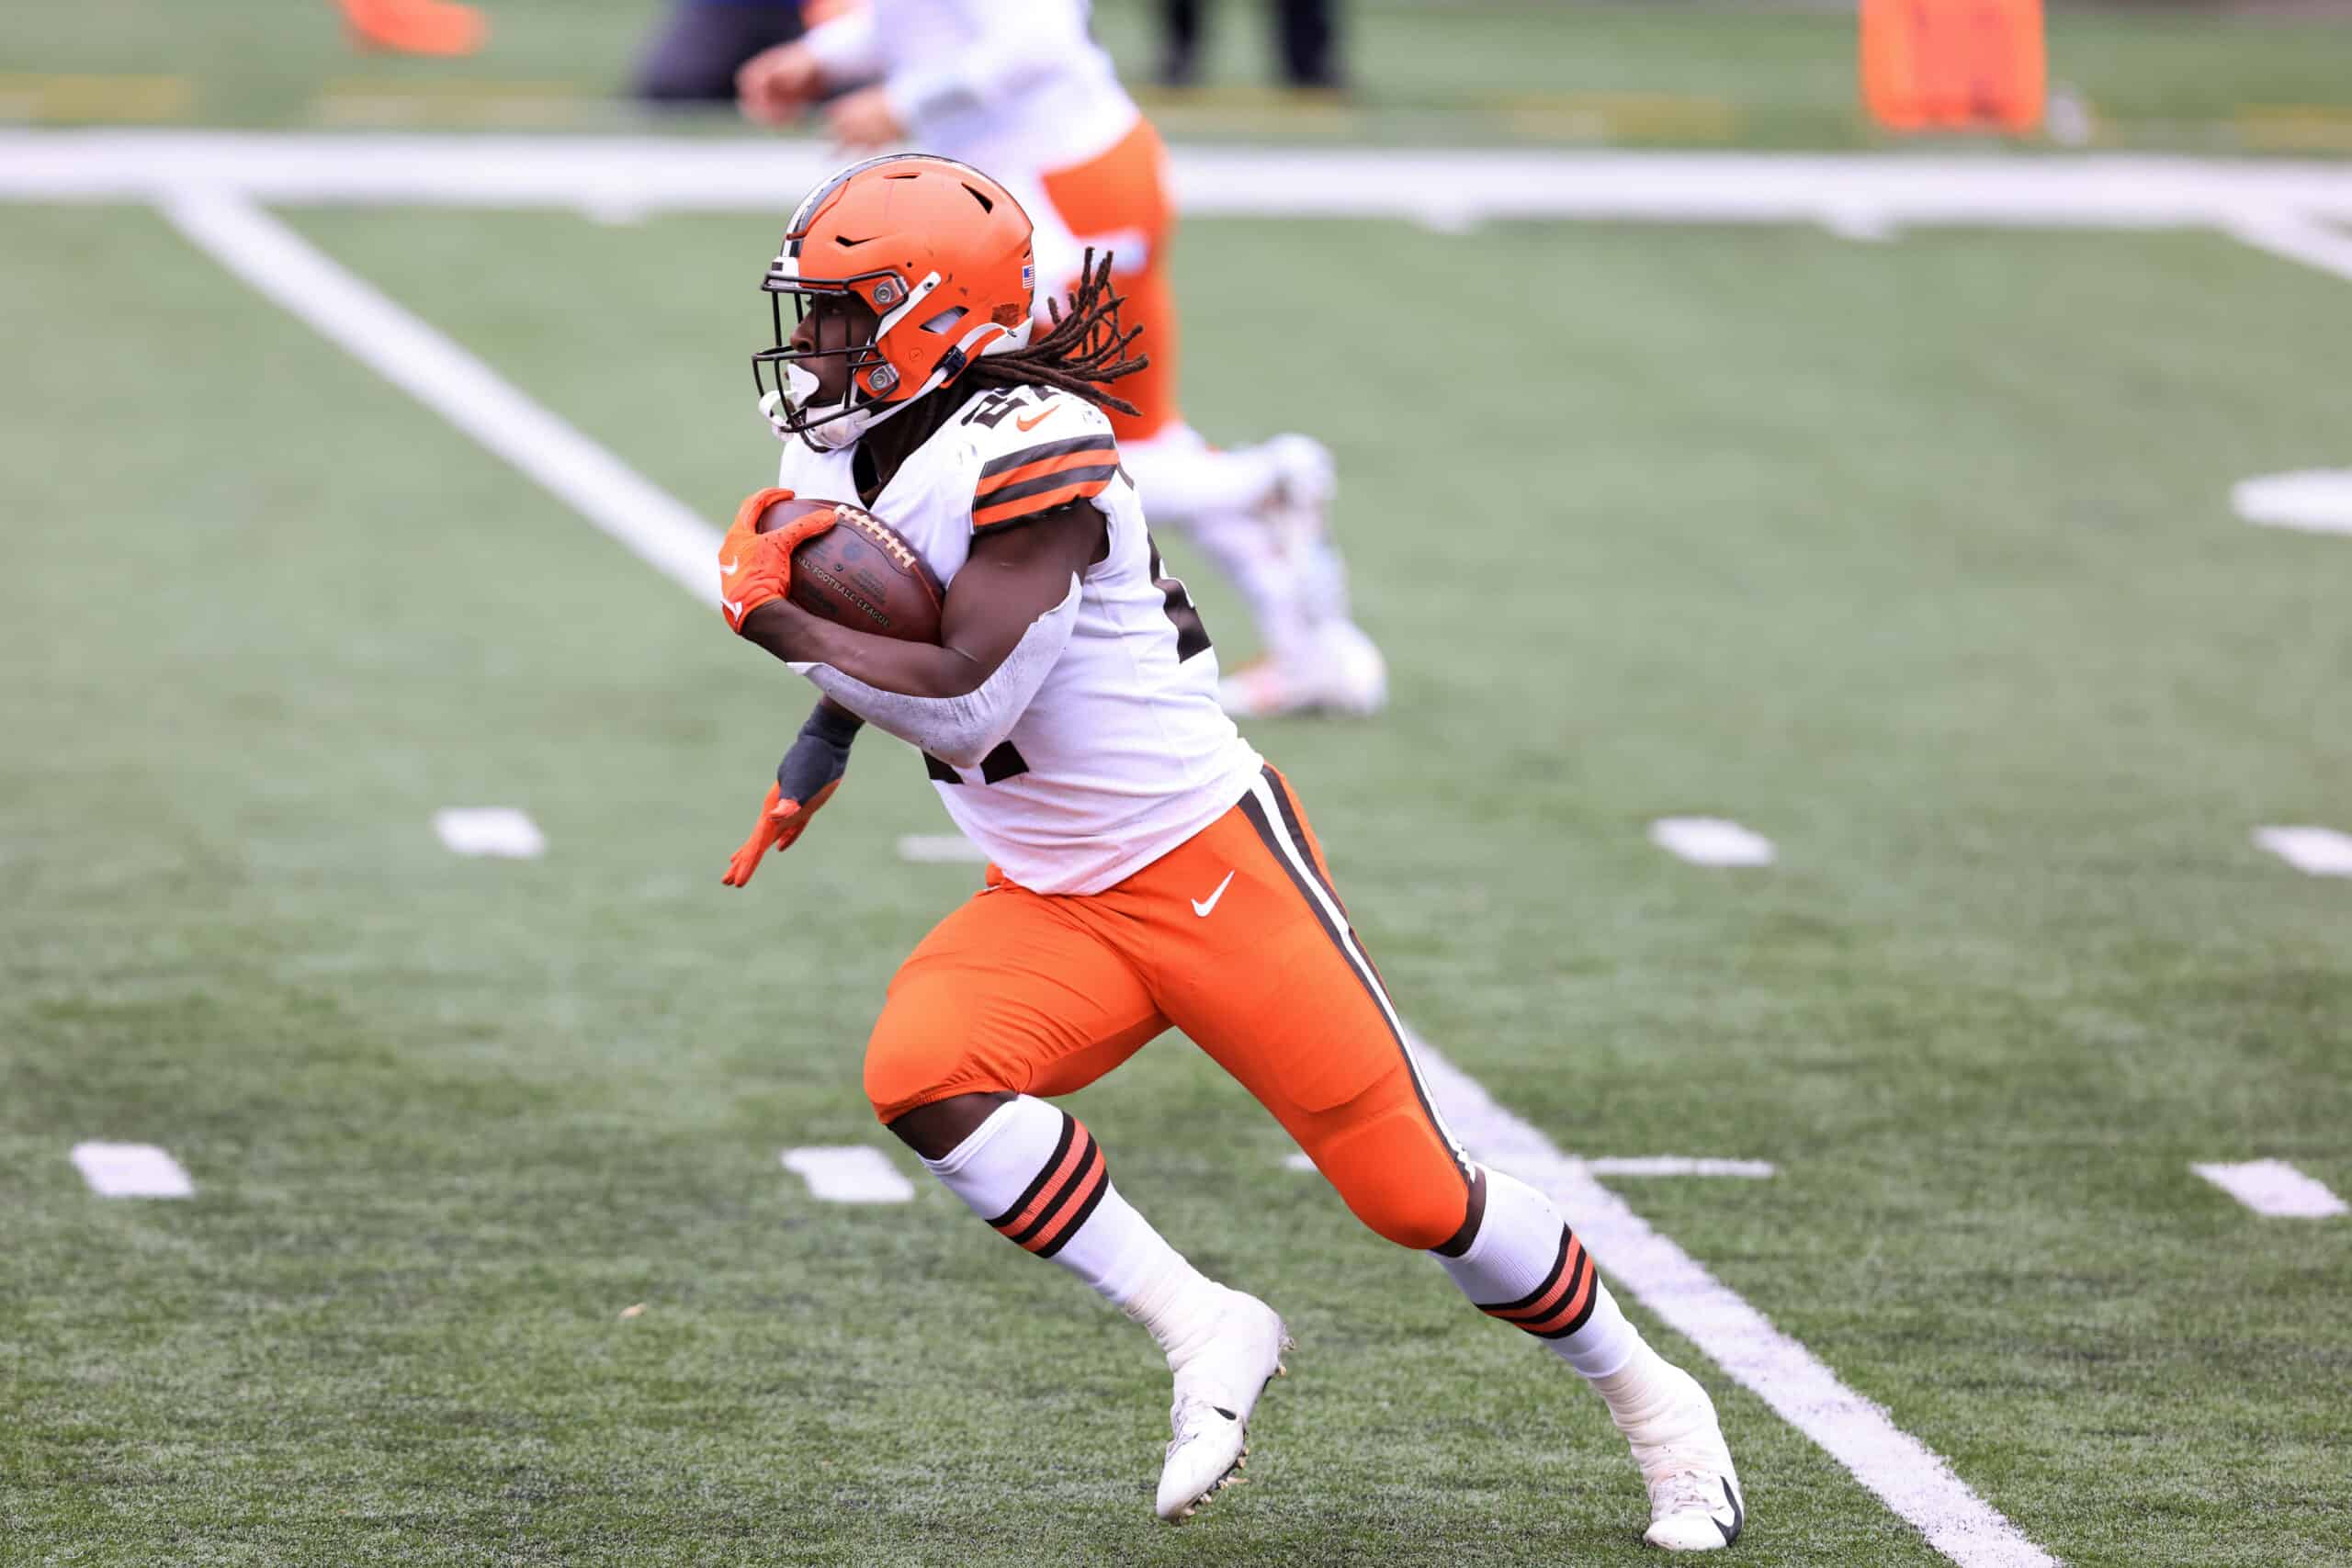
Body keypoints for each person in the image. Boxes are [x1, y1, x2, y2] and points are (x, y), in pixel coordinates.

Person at [714, 152, 1746, 1549]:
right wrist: (818, 747)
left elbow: (966, 683)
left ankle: (1659, 1402)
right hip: (1053, 891)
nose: (814, 345)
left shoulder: (1038, 447)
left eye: (841, 314)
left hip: (1204, 865)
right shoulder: (844, 445)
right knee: (925, 1074)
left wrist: (781, 623)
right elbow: (895, 599)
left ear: (933, 314)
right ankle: (1203, 1321)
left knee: (1414, 1192)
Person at [735, 0, 1387, 719]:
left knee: (1038, 446)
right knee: (1140, 439)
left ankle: (1262, 484)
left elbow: (1037, 39)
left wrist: (903, 100)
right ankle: (1312, 646)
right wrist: (822, 58)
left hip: (1064, 191)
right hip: (1051, 183)